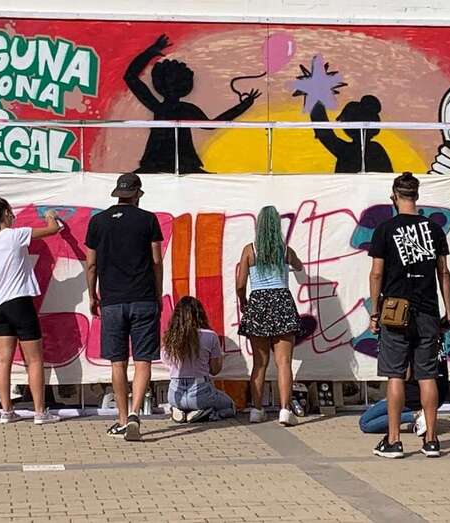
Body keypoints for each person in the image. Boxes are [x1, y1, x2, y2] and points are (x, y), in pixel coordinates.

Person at [368, 172, 450, 458]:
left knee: (395, 375)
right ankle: (431, 439)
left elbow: (376, 273)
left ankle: (393, 440)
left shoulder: (385, 229)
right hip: (428, 309)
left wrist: (375, 312)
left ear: (394, 196)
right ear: (416, 196)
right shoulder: (435, 229)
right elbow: (444, 273)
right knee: (427, 374)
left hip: (395, 309)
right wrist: (449, 311)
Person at [85, 173, 164, 441]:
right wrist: (158, 294)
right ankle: (135, 415)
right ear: (138, 194)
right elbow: (156, 261)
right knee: (143, 361)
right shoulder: (148, 220)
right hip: (143, 298)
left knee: (117, 363)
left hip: (112, 301)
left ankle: (121, 419)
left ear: (117, 194)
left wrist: (92, 295)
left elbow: (91, 264)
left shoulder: (98, 222)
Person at [0, 196, 61, 425]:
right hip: (19, 303)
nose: (13, 217)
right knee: (35, 359)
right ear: (5, 214)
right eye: (11, 213)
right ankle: (40, 412)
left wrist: (0, 287)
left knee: (4, 360)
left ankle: (6, 412)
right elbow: (52, 229)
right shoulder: (15, 235)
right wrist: (50, 216)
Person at [124, 34, 260, 174]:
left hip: (165, 162)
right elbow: (211, 125)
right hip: (175, 162)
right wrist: (243, 106)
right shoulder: (182, 109)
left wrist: (150, 52)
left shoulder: (160, 107)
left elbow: (130, 77)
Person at [236, 205, 304, 426]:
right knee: (284, 362)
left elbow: (240, 284)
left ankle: (256, 410)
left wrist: (243, 301)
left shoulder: (250, 250)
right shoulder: (285, 250)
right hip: (282, 301)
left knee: (259, 363)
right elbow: (299, 266)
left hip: (258, 303)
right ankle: (285, 410)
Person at [162, 296, 236, 423]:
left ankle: (178, 409)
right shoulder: (210, 336)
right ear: (200, 315)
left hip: (175, 395)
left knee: (182, 402)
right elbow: (215, 370)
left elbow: (166, 361)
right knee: (230, 406)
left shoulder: (170, 337)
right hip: (201, 393)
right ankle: (206, 413)